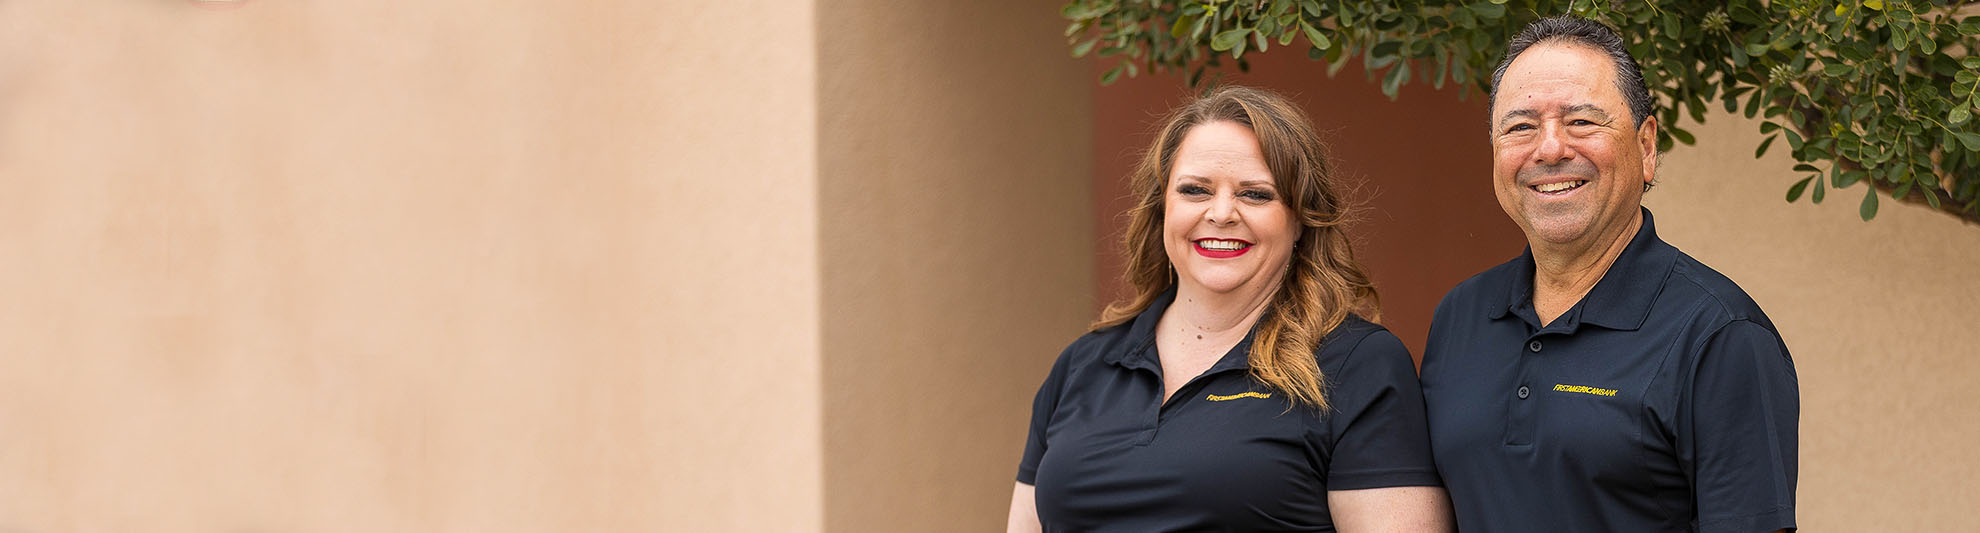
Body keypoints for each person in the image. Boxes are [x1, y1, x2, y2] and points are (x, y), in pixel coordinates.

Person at [1006, 86, 1453, 532]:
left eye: (1255, 194)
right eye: (1195, 190)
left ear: (1300, 219)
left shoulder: (1356, 365)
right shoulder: (1083, 364)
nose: (1221, 214)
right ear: (1162, 208)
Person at [1418, 15, 1799, 532]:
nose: (1549, 149)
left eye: (1581, 121)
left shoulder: (1720, 335)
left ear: (1646, 147)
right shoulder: (1461, 316)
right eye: (1520, 127)